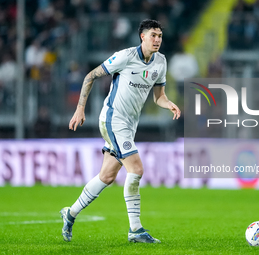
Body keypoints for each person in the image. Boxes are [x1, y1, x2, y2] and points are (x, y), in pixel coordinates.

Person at [60, 19, 181, 244]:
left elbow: (159, 97)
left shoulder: (161, 62)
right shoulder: (125, 56)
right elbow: (90, 76)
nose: (157, 40)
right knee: (136, 169)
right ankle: (135, 230)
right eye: (153, 35)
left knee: (106, 176)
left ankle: (70, 213)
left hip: (129, 125)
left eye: (160, 36)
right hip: (113, 119)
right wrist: (79, 109)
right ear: (142, 37)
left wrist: (169, 104)